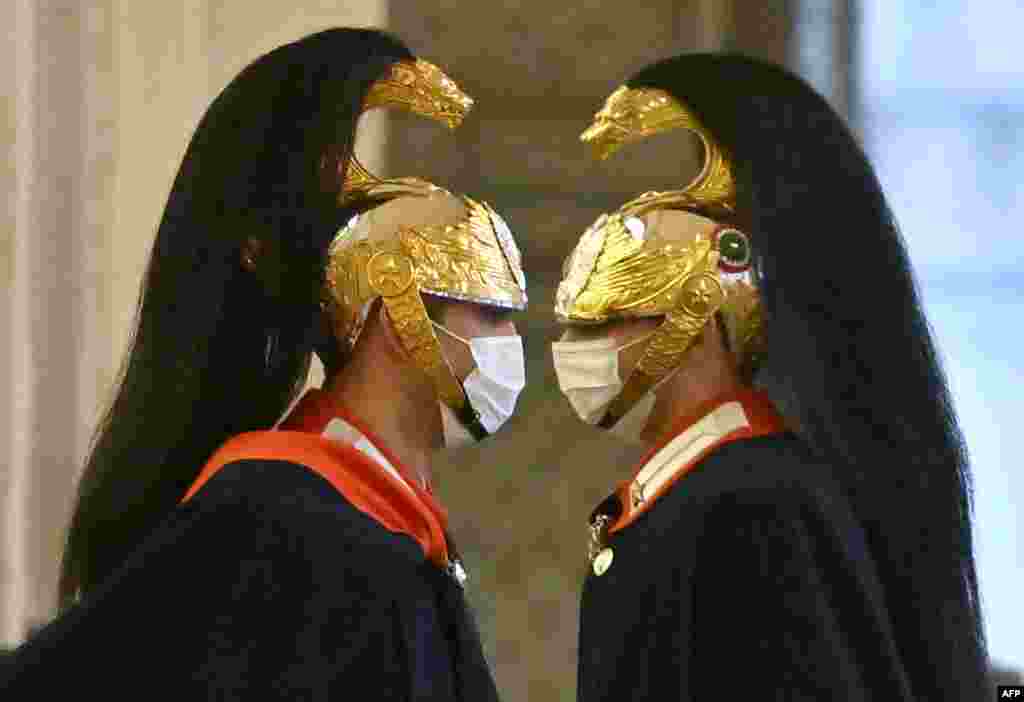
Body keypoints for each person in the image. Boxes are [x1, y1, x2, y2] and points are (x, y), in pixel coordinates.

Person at [2, 28, 529, 700]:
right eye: (488, 314)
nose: (509, 340)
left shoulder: (383, 526)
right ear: (397, 320)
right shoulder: (282, 518)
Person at [552, 53, 989, 701]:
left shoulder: (753, 502)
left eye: (609, 320)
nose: (578, 348)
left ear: (697, 316)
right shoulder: (693, 492)